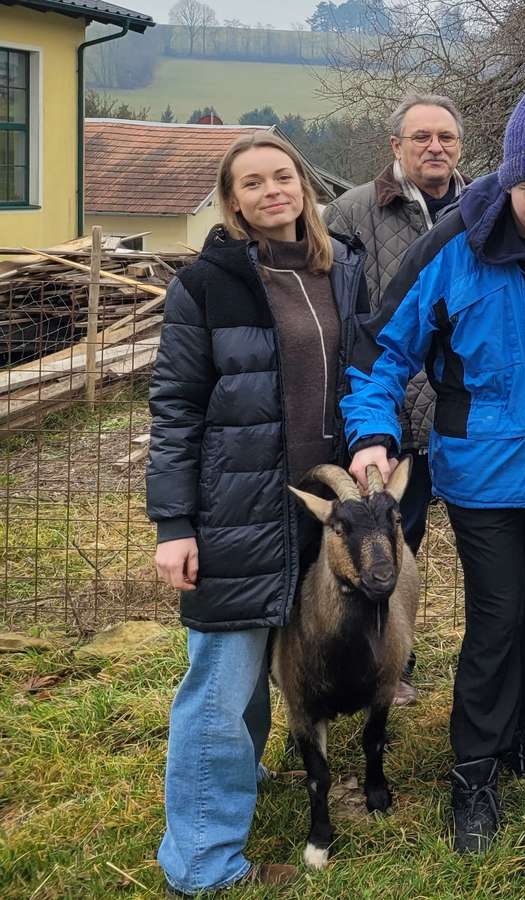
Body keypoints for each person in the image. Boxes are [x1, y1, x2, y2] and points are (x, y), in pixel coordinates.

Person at [341, 87, 525, 852]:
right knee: (497, 623)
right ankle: (471, 772)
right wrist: (372, 431)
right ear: (508, 179)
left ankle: (516, 735)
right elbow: (380, 352)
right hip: (482, 477)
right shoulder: (452, 250)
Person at [149, 131, 368, 895]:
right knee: (221, 685)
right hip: (238, 511)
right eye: (253, 182)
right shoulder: (207, 284)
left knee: (276, 667)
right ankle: (202, 864)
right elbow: (175, 408)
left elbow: (362, 375)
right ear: (233, 200)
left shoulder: (340, 269)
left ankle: (241, 791)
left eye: (283, 176)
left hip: (319, 516)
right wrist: (173, 525)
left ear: (303, 186)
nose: (272, 190)